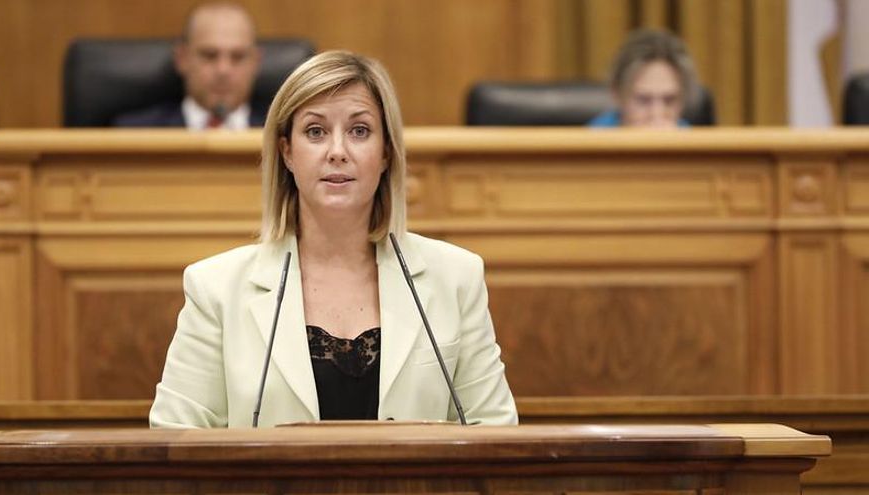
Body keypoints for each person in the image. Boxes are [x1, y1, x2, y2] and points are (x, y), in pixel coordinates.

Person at [149, 50, 518, 427]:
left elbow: (495, 431)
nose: (338, 152)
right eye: (315, 132)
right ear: (287, 152)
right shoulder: (216, 288)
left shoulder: (456, 277)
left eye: (359, 131)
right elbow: (175, 436)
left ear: (386, 152)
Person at [113, 1, 262, 129]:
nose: (223, 70)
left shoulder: (279, 136)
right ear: (182, 59)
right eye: (209, 55)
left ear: (255, 62)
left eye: (237, 57)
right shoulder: (133, 133)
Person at [588, 29, 698, 128]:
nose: (657, 115)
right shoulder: (589, 143)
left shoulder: (696, 143)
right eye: (643, 100)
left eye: (669, 100)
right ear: (616, 94)